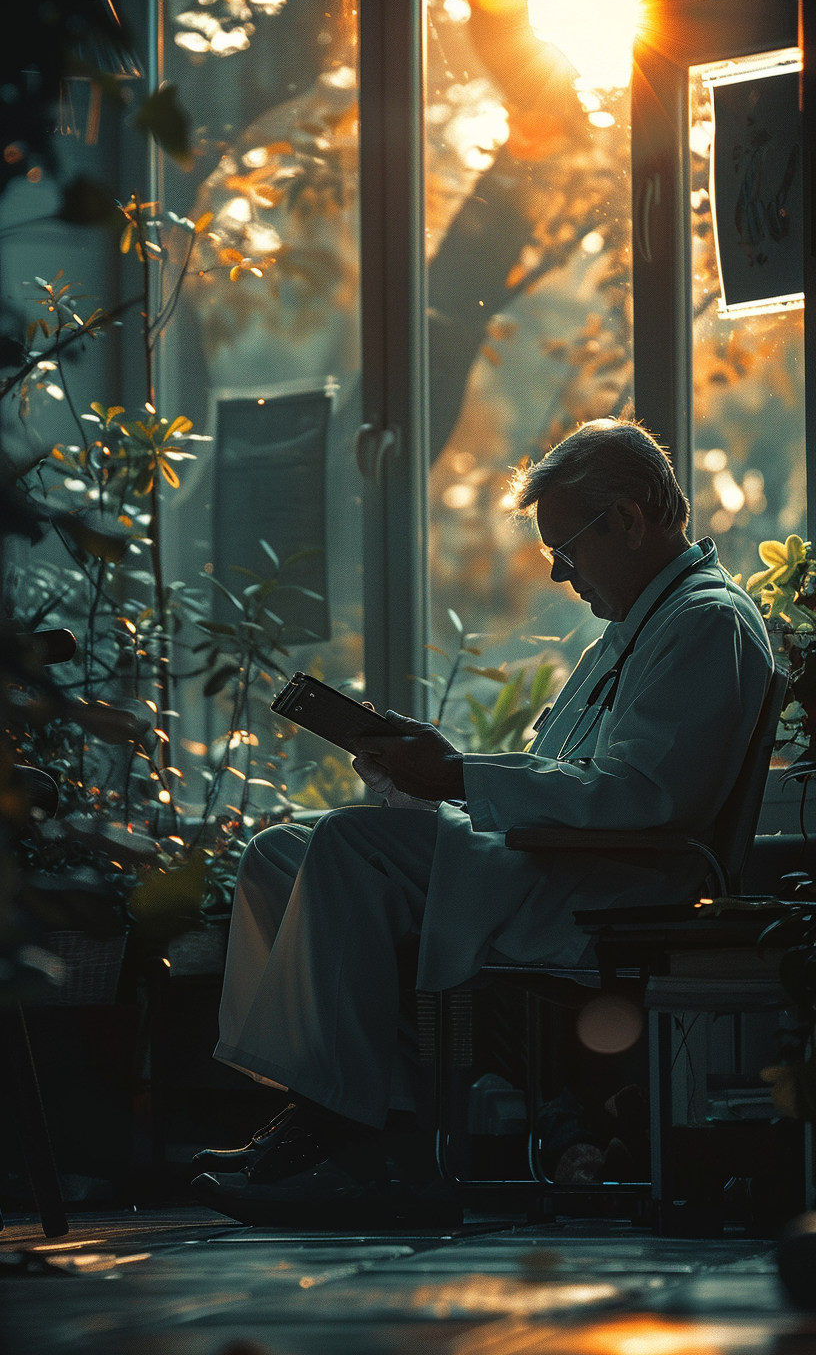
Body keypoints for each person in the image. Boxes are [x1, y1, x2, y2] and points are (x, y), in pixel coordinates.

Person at [191, 418, 773, 1225]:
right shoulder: (634, 631)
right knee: (277, 853)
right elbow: (570, 779)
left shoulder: (704, 621)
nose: (560, 575)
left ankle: (351, 1135)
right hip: (554, 855)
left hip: (620, 877)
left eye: (566, 549)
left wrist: (461, 777)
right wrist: (435, 778)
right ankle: (348, 1112)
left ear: (631, 519)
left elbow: (642, 796)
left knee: (347, 845)